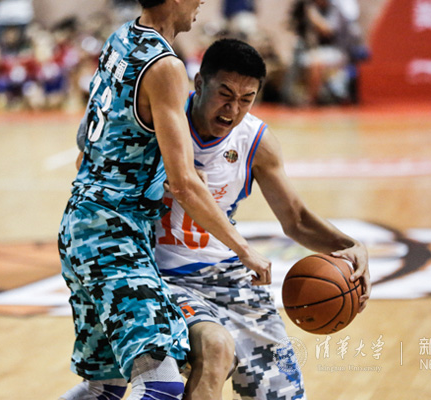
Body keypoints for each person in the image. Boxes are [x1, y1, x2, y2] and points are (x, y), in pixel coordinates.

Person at [59, 1, 271, 399]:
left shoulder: (120, 39)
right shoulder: (166, 66)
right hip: (115, 237)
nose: (202, 1)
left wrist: (151, 175)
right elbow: (185, 184)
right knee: (160, 386)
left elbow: (84, 148)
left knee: (104, 389)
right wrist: (245, 250)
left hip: (80, 225)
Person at [154, 38, 371, 399]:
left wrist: (349, 245)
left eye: (246, 98)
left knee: (282, 392)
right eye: (225, 94)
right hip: (164, 276)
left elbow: (296, 219)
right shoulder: (161, 122)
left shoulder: (256, 140)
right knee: (214, 351)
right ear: (200, 84)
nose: (233, 109)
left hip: (229, 276)